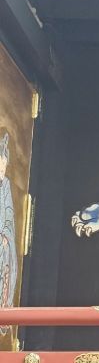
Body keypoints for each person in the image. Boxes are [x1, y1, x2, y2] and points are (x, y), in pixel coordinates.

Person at [0, 133, 17, 342]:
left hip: (3, 241)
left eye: (3, 166)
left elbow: (9, 212)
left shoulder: (5, 186)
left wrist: (4, 233)